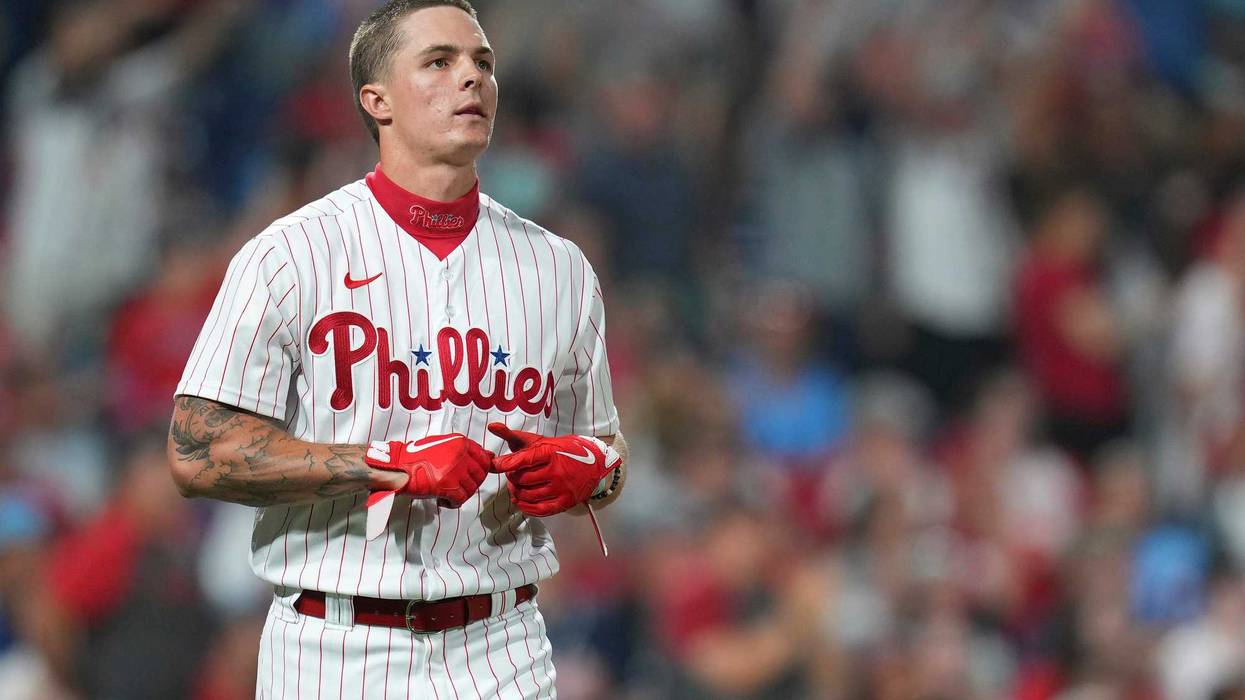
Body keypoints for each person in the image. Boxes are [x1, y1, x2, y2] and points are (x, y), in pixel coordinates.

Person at [164, 2, 628, 697]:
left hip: (503, 645)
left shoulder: (560, 269)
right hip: (335, 644)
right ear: (374, 99)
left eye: (482, 64)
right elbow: (197, 452)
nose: (470, 78)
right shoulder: (290, 255)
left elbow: (606, 451)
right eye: (439, 62)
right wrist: (386, 465)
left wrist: (589, 469)